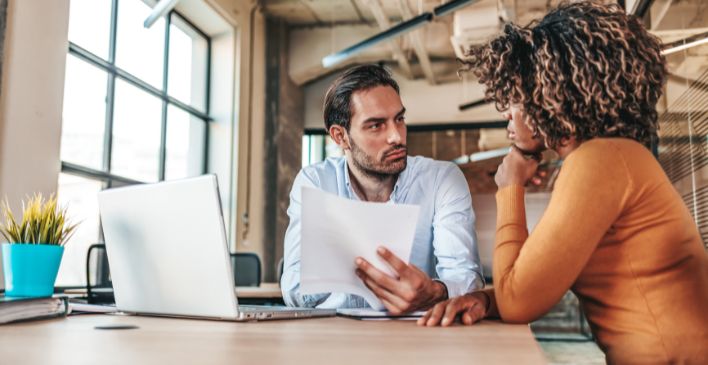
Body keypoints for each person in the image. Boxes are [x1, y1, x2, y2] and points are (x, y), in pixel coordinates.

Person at [418, 1, 708, 364]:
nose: (507, 111)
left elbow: (519, 301)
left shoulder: (599, 161)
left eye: (516, 96)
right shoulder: (608, 158)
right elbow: (537, 282)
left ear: (552, 95)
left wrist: (509, 186)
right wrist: (486, 299)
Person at [281, 64, 484, 313]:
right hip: (337, 338)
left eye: (399, 119)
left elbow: (467, 278)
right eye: (376, 125)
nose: (397, 136)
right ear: (340, 137)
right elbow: (294, 289)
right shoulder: (315, 183)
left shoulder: (441, 179)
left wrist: (434, 292)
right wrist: (354, 272)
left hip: (421, 336)